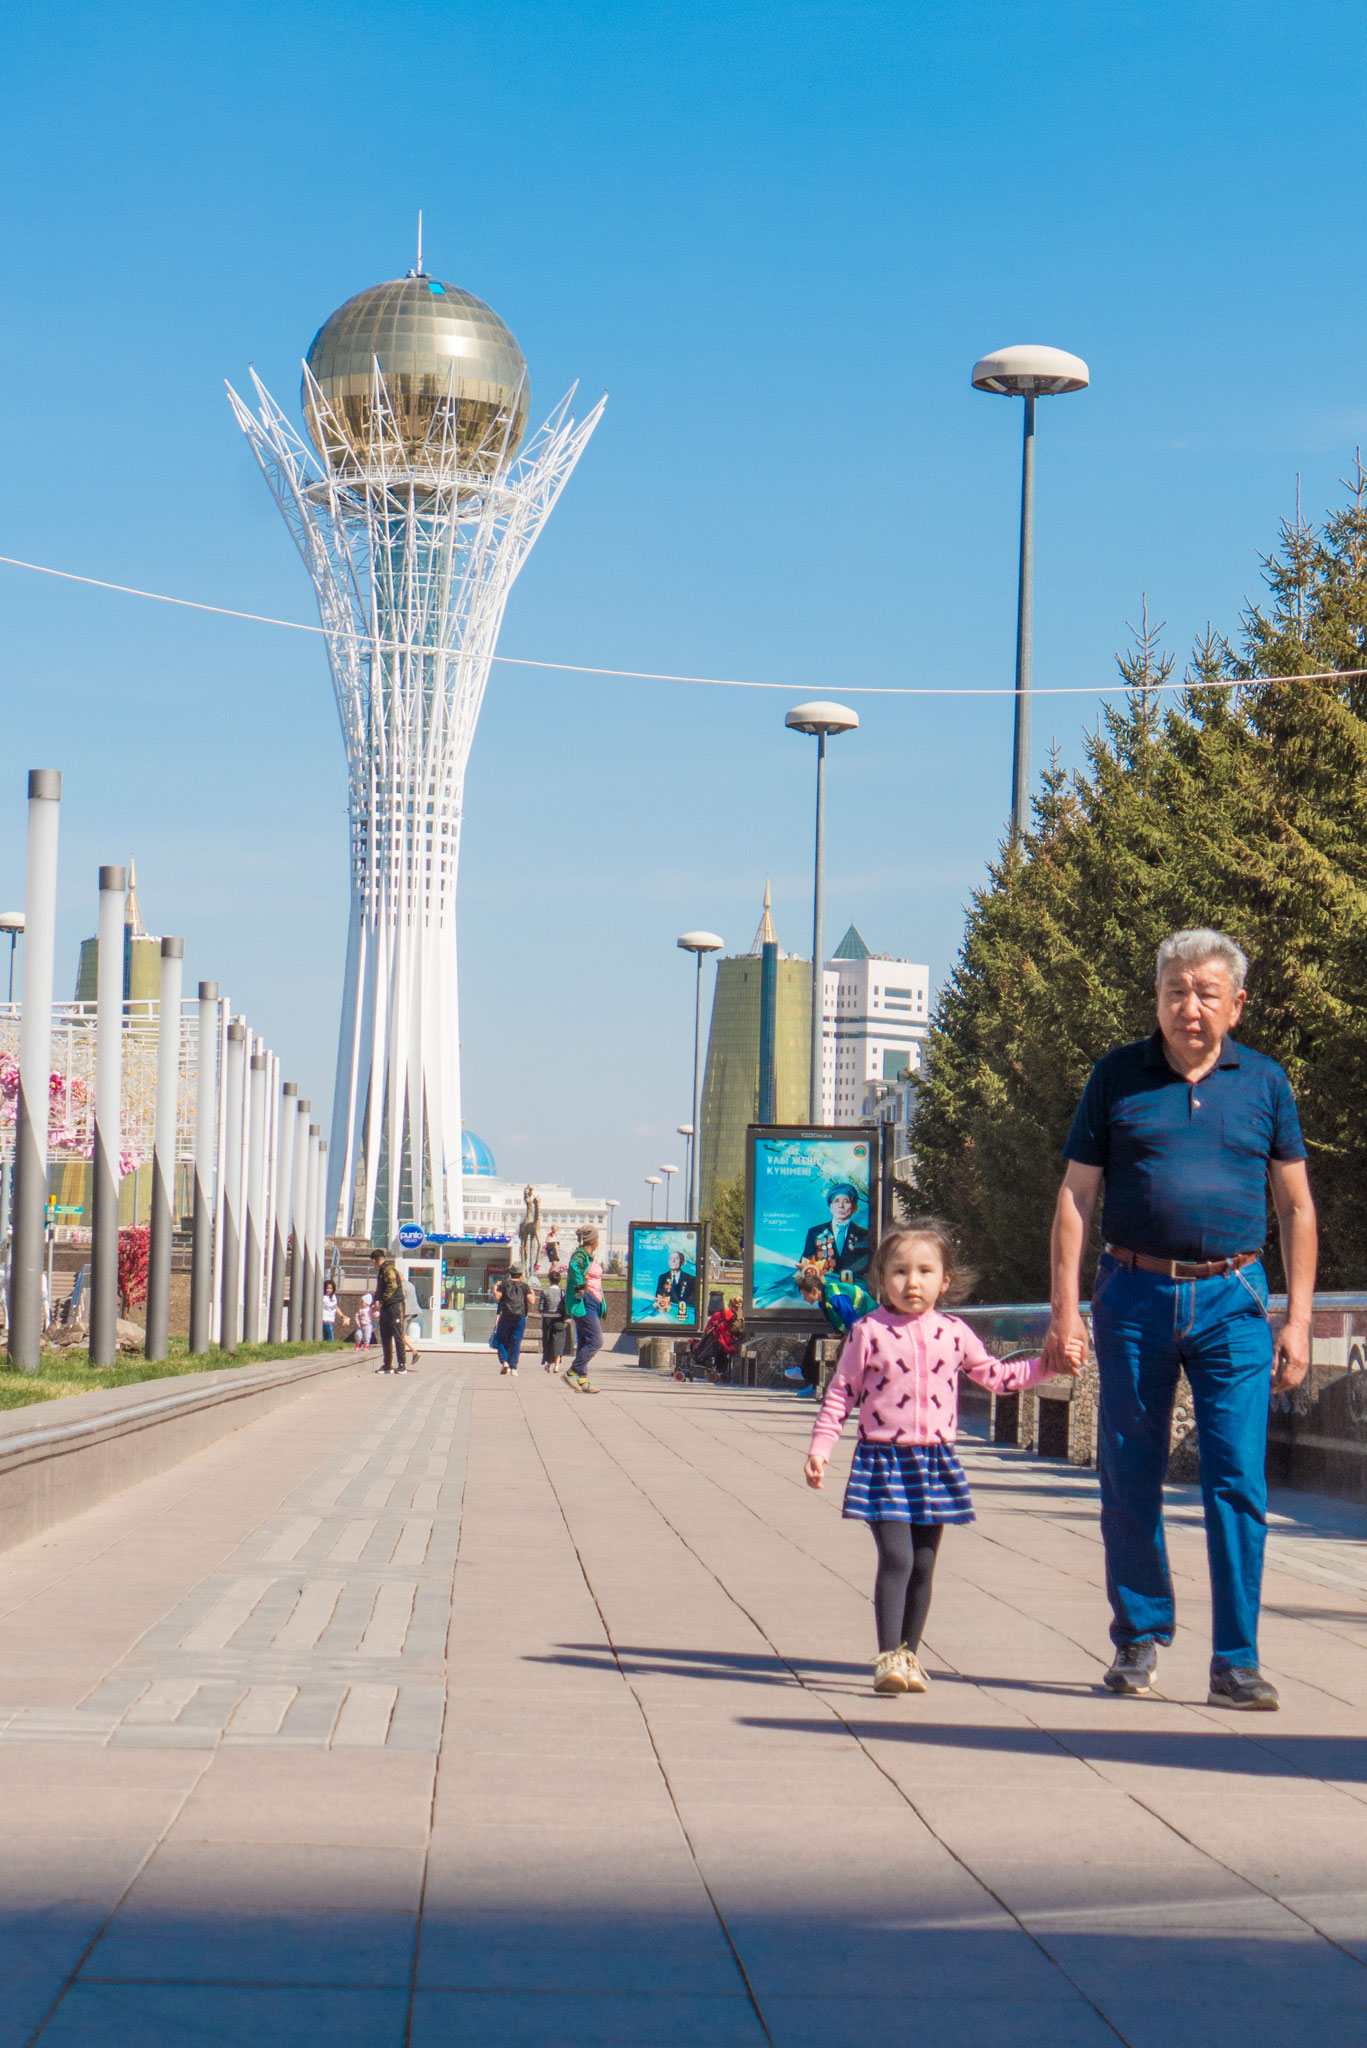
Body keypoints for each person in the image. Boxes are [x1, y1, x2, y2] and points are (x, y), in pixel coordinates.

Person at [1044, 928, 1318, 1711]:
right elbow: (1074, 1197)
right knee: (1127, 1473)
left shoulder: (1263, 1083)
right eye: (1174, 991)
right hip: (1132, 1295)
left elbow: (1295, 1206)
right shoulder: (1117, 1077)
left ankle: (1235, 1660)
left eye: (1204, 993)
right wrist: (1065, 1311)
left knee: (1237, 1479)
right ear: (1155, 998)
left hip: (1233, 1300)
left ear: (1234, 1004)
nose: (1187, 1007)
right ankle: (1137, 1638)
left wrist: (1296, 1319)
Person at [806, 1217, 1081, 1696]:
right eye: (899, 1272)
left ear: (945, 1281)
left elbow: (998, 1377)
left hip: (935, 1461)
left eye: (925, 1271)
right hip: (883, 1461)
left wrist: (1046, 1365)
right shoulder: (868, 1331)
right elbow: (841, 1393)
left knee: (925, 1563)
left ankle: (910, 1655)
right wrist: (821, 1448)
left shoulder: (954, 1333)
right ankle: (889, 1657)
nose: (912, 1282)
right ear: (881, 1279)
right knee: (897, 1557)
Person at [787, 1265, 879, 1395]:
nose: (804, 1299)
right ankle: (810, 1379)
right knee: (817, 1338)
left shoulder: (834, 1295)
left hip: (869, 1328)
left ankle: (808, 1376)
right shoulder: (823, 1300)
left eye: (804, 1294)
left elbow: (851, 1319)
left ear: (814, 1290)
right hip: (858, 1328)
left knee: (823, 1342)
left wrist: (847, 1338)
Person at [799, 1183, 870, 1282]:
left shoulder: (864, 1235)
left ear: (854, 1207)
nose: (841, 1206)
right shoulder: (815, 1233)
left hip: (853, 1292)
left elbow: (868, 1271)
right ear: (830, 1206)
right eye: (836, 1201)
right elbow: (805, 1266)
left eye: (846, 1201)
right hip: (823, 1292)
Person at [564, 1227, 604, 1393]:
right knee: (596, 1341)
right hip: (585, 1302)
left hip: (592, 1303)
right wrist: (581, 1286)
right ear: (594, 1241)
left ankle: (582, 1379)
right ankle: (571, 1372)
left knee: (585, 1341)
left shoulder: (587, 1255)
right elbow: (574, 1267)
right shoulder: (580, 1254)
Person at [370, 1249, 408, 1375]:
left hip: (395, 1305)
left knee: (397, 1334)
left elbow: (392, 1286)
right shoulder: (381, 1271)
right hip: (386, 1306)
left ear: (374, 1261)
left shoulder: (388, 1269)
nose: (373, 1265)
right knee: (385, 1335)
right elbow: (380, 1288)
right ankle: (387, 1364)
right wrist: (377, 1300)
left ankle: (402, 1364)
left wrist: (381, 1301)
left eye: (373, 1263)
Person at [492, 1263, 530, 1375]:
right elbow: (532, 1301)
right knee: (516, 1342)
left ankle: (504, 1362)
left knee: (501, 1340)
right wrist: (531, 1292)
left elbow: (497, 1298)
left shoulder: (504, 1284)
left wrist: (494, 1288)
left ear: (510, 1273)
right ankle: (514, 1368)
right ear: (521, 1274)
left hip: (505, 1317)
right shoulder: (524, 1286)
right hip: (520, 1318)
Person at [540, 1265, 571, 1372]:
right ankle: (557, 1365)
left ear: (550, 1280)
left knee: (547, 1340)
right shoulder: (562, 1293)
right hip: (559, 1319)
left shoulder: (545, 1291)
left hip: (547, 1319)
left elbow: (540, 1308)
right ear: (559, 1281)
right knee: (559, 1340)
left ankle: (548, 1364)